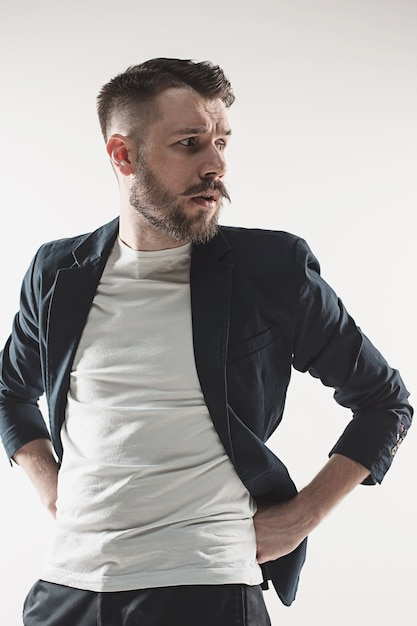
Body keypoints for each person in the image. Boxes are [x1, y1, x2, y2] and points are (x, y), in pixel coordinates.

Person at [0, 58, 412, 626]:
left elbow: (385, 401)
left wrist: (301, 517)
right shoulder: (57, 272)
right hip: (65, 590)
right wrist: (50, 488)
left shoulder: (271, 269)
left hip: (206, 589)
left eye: (221, 141)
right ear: (123, 155)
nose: (215, 164)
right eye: (190, 143)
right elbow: (9, 393)